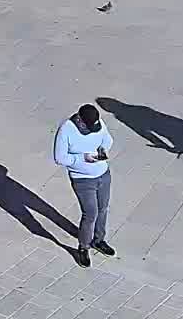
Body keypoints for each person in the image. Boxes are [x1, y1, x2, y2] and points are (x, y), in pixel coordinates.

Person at [53, 103, 116, 265]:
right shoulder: (66, 129)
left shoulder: (98, 123)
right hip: (82, 179)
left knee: (103, 209)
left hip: (103, 174)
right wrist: (82, 158)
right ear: (80, 120)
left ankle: (98, 240)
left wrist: (103, 149)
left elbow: (107, 140)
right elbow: (59, 158)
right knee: (90, 213)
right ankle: (83, 247)